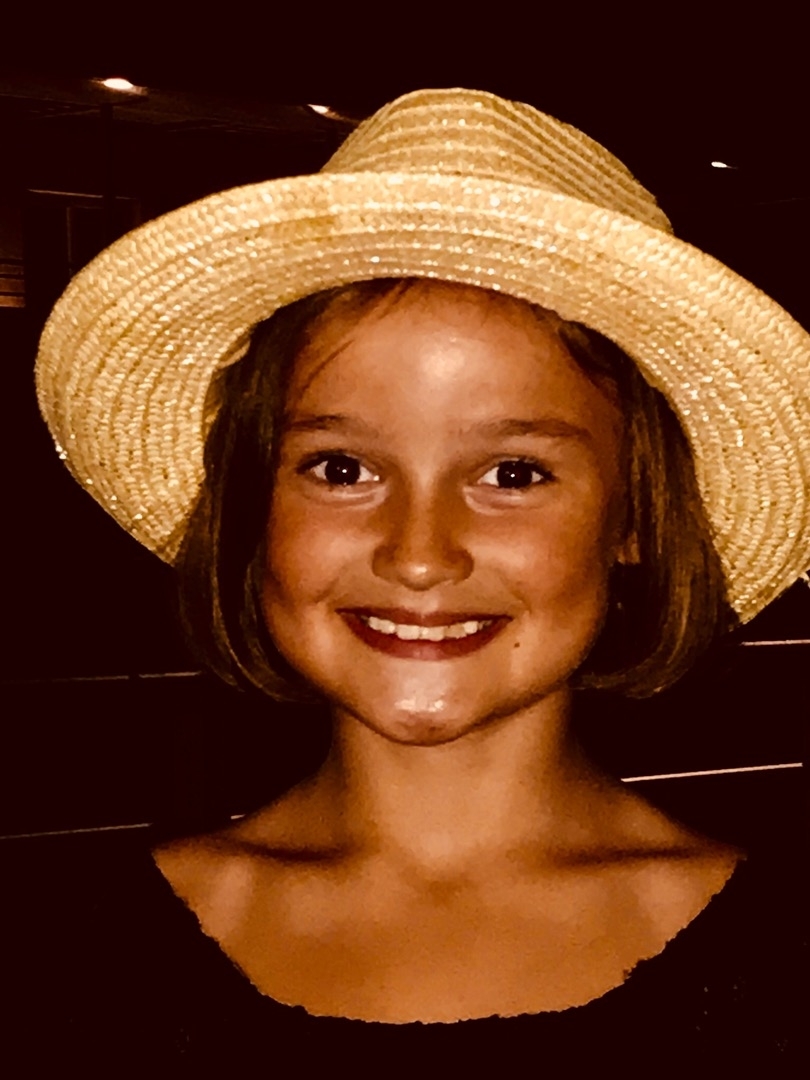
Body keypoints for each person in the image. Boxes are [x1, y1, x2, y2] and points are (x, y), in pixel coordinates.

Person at [14, 88, 807, 1068]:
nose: (419, 553)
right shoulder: (67, 964)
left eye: (513, 475)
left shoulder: (784, 967)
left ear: (634, 517)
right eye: (342, 469)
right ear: (254, 507)